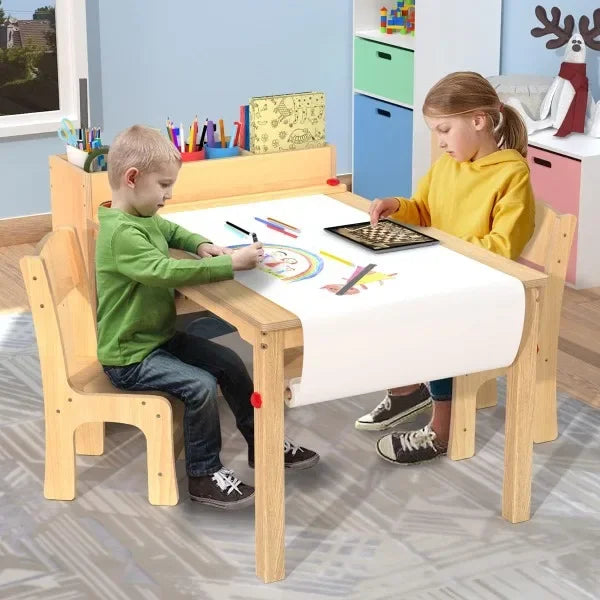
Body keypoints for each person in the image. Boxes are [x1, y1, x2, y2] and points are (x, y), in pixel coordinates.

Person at [96, 125, 319, 509]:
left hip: (158, 339)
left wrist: (198, 243)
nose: (169, 195)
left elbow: (170, 230)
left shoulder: (142, 217)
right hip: (130, 356)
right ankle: (203, 474)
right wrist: (229, 264)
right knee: (200, 385)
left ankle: (261, 444)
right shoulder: (121, 235)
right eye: (164, 185)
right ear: (132, 179)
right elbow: (162, 270)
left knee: (230, 362)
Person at [354, 72, 535, 465]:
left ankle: (441, 430)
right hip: (446, 273)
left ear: (478, 120)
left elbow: (502, 248)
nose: (440, 141)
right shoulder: (447, 165)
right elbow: (424, 209)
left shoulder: (511, 174)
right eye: (436, 131)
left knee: (434, 317)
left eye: (444, 129)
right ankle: (407, 391)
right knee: (381, 296)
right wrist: (396, 206)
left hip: (487, 288)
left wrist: (445, 252)